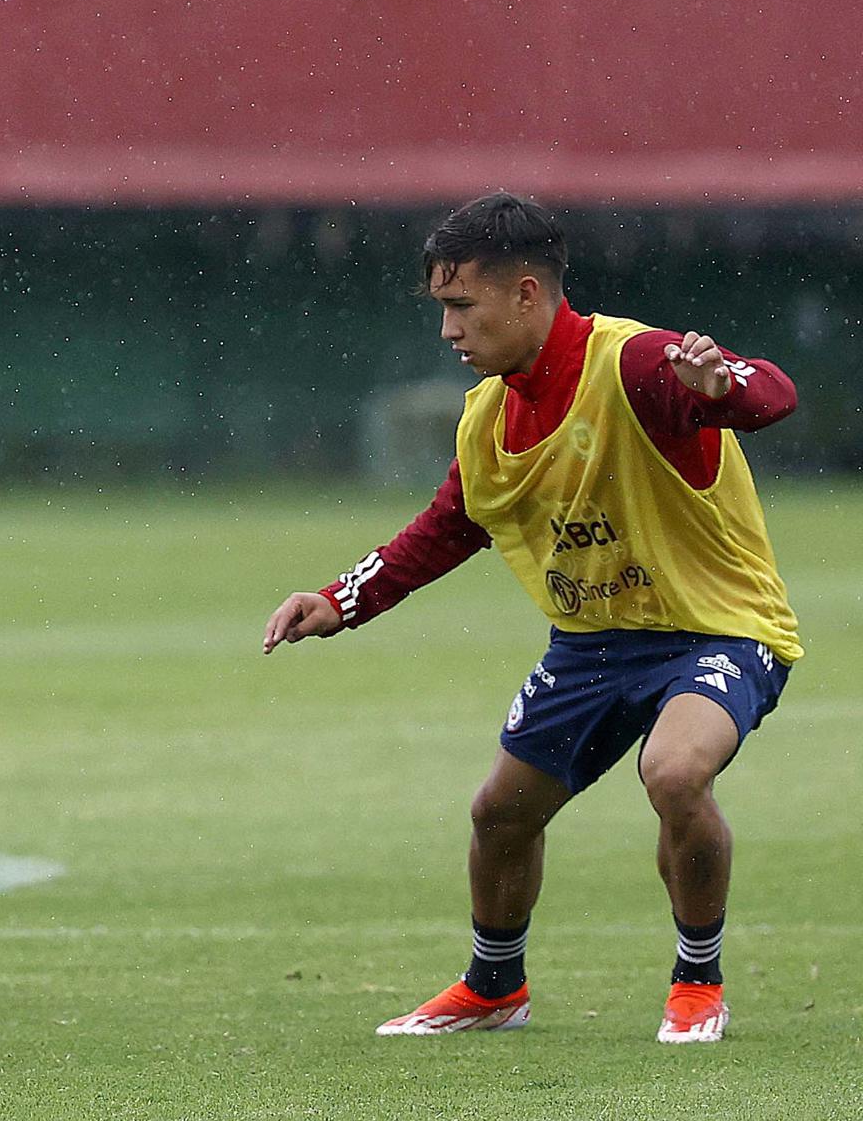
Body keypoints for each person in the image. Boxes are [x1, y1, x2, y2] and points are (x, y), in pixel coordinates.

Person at [262, 192, 800, 1044]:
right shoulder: (486, 418)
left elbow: (771, 394)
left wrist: (720, 383)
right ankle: (494, 987)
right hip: (593, 645)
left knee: (674, 773)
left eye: (460, 305)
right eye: (442, 308)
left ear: (525, 295)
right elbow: (448, 527)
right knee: (499, 815)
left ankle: (698, 981)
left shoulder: (636, 364)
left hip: (718, 629)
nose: (448, 331)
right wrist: (339, 600)